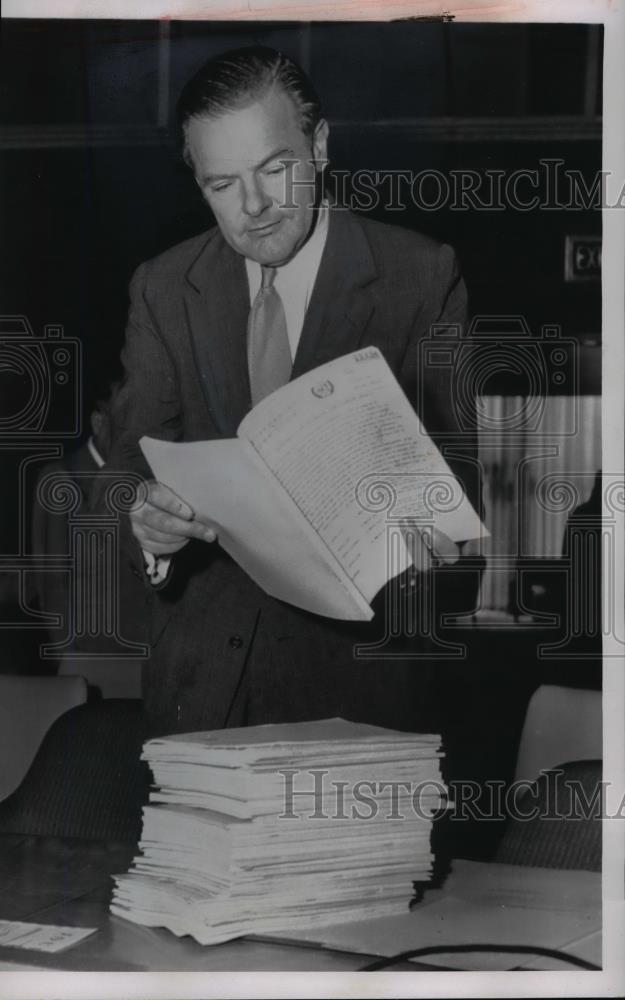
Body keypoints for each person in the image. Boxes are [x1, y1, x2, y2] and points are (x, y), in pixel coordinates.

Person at [94, 46, 483, 737]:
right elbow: (125, 467)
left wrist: (429, 534)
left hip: (361, 689)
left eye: (276, 169)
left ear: (320, 145)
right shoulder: (163, 287)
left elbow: (452, 483)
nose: (253, 206)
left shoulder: (418, 276)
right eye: (221, 184)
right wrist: (143, 523)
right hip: (201, 693)